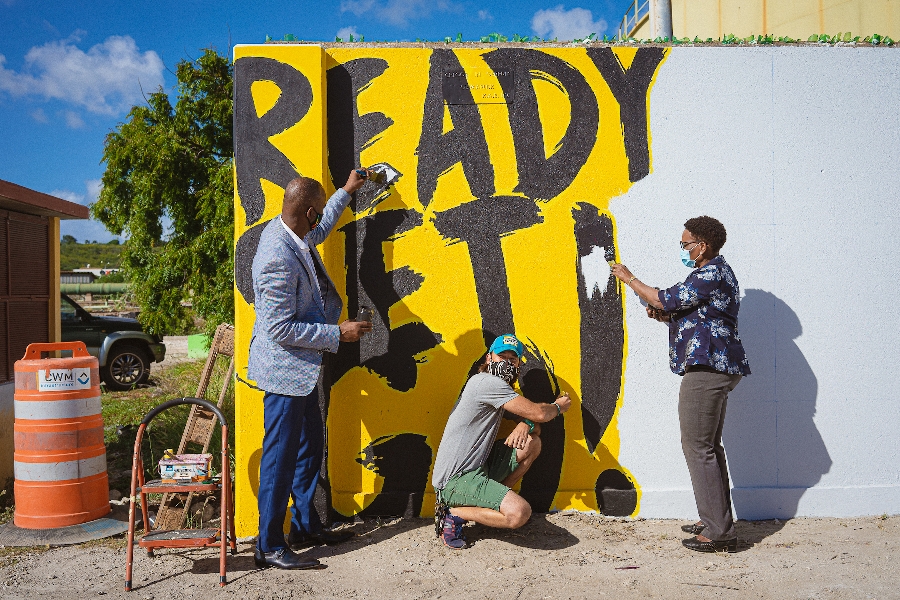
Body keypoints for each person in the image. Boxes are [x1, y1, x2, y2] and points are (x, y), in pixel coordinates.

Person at [249, 172, 373, 570]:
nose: (319, 222)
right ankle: (268, 544)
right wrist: (337, 333)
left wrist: (346, 192)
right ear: (306, 211)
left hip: (300, 373)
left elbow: (319, 232)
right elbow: (279, 328)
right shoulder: (275, 257)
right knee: (280, 459)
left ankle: (302, 525)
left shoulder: (294, 233)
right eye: (318, 214)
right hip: (284, 376)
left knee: (306, 450)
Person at [611, 216, 750, 553]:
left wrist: (629, 279)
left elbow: (666, 298)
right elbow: (684, 310)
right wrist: (665, 315)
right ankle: (715, 519)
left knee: (697, 447)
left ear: (703, 244)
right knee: (709, 447)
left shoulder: (710, 272)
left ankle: (719, 532)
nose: (683, 249)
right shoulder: (713, 273)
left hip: (707, 369)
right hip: (717, 365)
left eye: (686, 244)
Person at [431, 334, 572, 549]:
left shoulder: (500, 391)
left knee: (532, 443)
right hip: (455, 480)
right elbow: (540, 414)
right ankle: (453, 513)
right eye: (501, 356)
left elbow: (536, 423)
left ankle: (491, 506)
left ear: (517, 366)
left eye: (512, 359)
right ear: (489, 358)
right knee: (519, 514)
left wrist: (526, 424)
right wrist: (559, 406)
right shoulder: (486, 383)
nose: (506, 362)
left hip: (479, 468)